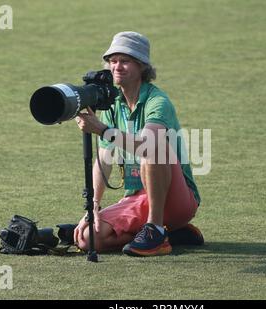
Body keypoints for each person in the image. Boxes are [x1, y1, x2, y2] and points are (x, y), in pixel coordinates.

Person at [73, 31, 203, 257]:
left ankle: (155, 230)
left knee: (153, 146)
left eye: (125, 61)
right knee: (88, 239)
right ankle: (170, 232)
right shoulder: (113, 105)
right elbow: (104, 160)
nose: (117, 67)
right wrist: (94, 205)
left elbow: (148, 147)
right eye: (113, 61)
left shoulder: (157, 101)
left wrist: (103, 129)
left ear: (142, 66)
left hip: (177, 199)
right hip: (136, 197)